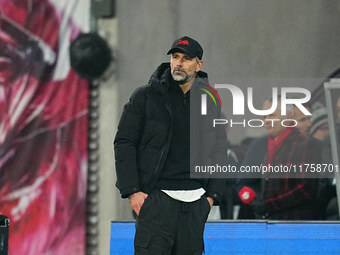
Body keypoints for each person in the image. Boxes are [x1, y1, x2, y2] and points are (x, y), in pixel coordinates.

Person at [114, 36, 226, 254]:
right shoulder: (145, 96)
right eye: (175, 57)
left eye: (186, 58)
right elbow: (124, 142)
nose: (179, 63)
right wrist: (132, 192)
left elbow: (219, 150)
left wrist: (212, 196)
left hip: (195, 203)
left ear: (199, 64)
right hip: (156, 201)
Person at [238, 96, 320, 220]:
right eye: (264, 117)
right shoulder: (270, 145)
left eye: (271, 115)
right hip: (272, 223)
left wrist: (268, 204)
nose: (266, 121)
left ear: (287, 116)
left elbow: (305, 188)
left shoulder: (303, 144)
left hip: (294, 225)